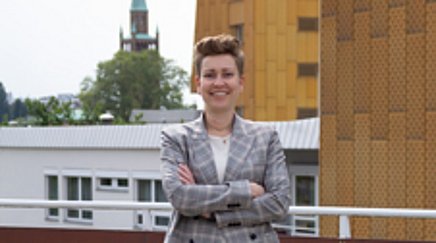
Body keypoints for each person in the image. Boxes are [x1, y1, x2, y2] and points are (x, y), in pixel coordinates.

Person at [160, 34, 291, 243]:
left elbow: (279, 202)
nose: (219, 82)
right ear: (198, 83)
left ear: (240, 82)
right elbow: (180, 196)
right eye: (210, 75)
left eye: (227, 74)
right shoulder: (176, 138)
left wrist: (210, 212)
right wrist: (246, 190)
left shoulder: (266, 137)